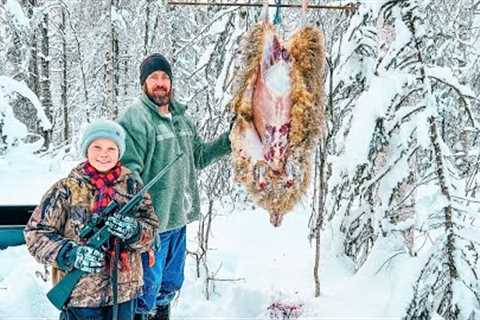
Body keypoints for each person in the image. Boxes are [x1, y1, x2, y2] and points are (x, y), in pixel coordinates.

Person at [118, 53, 231, 320]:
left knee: (169, 286)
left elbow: (199, 156)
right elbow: (129, 170)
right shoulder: (136, 118)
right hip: (151, 225)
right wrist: (141, 219)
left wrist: (230, 140)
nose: (160, 83)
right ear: (143, 83)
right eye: (153, 78)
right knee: (145, 291)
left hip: (178, 218)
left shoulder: (181, 118)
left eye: (165, 77)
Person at [24, 120, 159, 320]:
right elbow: (35, 233)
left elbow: (152, 233)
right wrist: (70, 253)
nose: (104, 154)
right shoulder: (66, 189)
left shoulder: (133, 188)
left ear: (119, 152)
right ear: (86, 149)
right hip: (81, 295)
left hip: (124, 294)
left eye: (111, 148)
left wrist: (134, 231)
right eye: (97, 146)